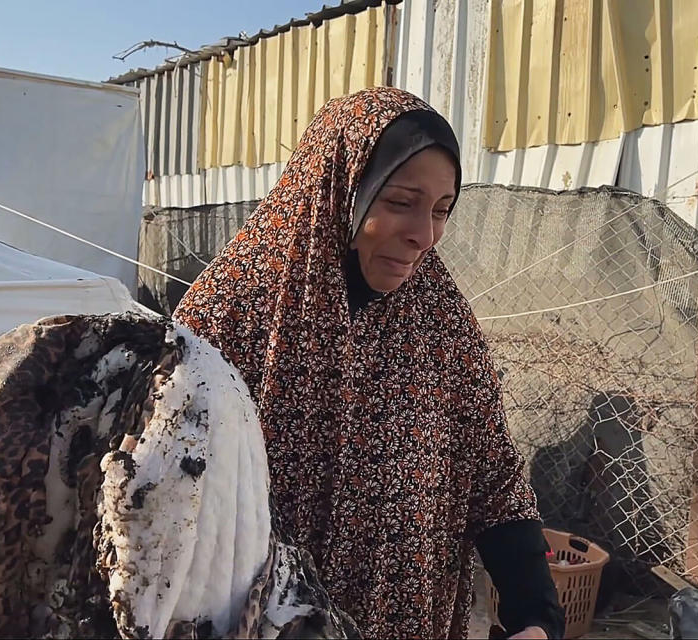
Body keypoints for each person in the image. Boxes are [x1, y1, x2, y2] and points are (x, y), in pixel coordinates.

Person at [173, 87, 565, 639]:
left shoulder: (439, 319)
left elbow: (490, 470)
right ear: (339, 189)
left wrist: (536, 615)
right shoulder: (232, 315)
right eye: (401, 202)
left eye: (441, 211)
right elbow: (173, 508)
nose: (423, 235)